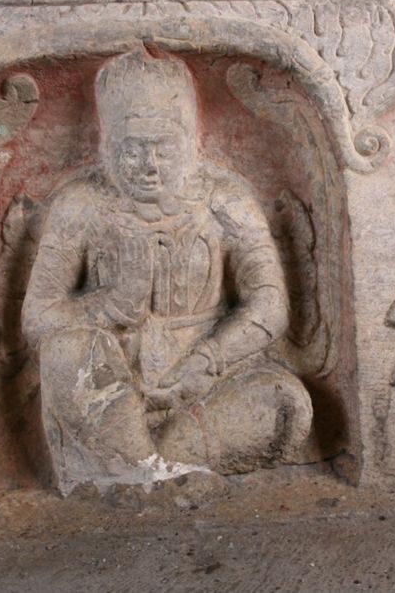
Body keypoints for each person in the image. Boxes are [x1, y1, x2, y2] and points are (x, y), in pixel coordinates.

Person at [21, 47, 312, 485]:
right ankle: (144, 463)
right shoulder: (81, 204)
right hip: (110, 387)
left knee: (286, 401)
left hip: (206, 383)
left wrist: (208, 360)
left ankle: (152, 463)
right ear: (108, 144)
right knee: (65, 352)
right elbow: (38, 317)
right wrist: (112, 307)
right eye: (132, 149)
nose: (148, 166)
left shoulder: (224, 199)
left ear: (188, 140)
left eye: (162, 148)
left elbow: (270, 304)